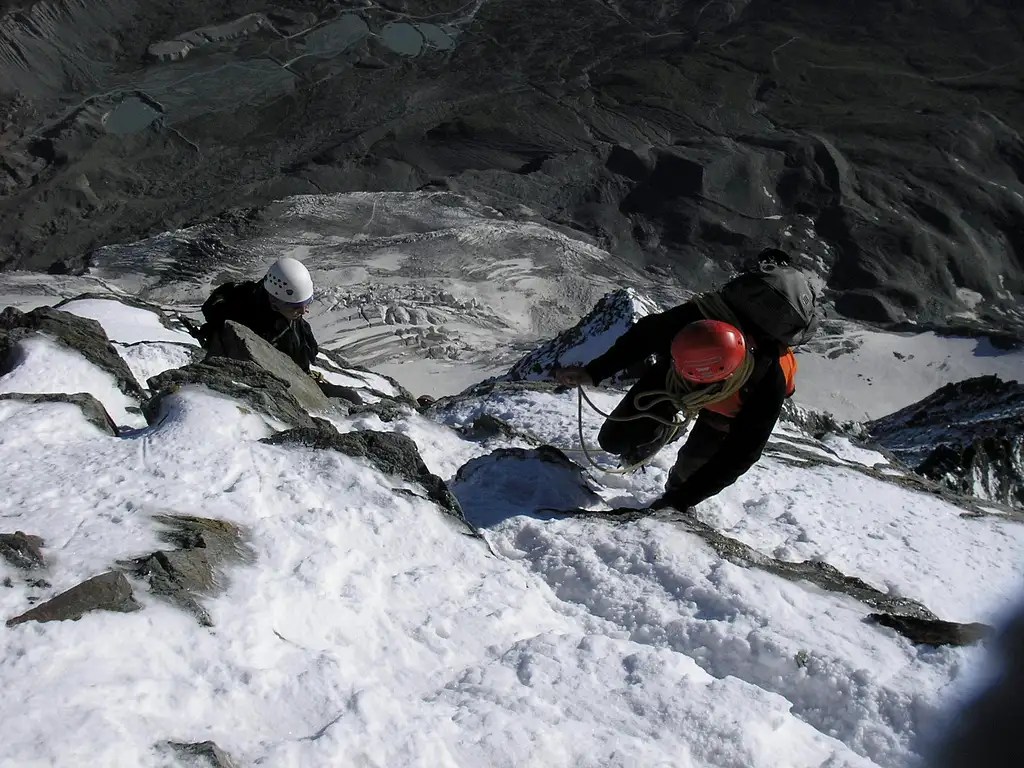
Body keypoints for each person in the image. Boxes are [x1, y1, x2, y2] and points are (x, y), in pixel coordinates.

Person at [554, 250, 820, 512]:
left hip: (728, 411)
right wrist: (593, 372)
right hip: (675, 380)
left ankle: (675, 477)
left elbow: (742, 454)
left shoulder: (767, 382)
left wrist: (680, 499)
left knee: (690, 473)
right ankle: (666, 428)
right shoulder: (697, 319)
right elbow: (644, 336)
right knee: (614, 440)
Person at [196, 257, 319, 372]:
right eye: (296, 306)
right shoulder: (248, 320)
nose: (303, 311)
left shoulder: (286, 311)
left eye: (307, 303)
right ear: (275, 302)